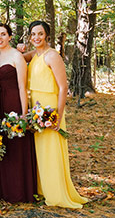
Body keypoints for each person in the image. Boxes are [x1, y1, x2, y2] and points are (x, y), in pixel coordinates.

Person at [24, 20, 87, 208]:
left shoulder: (52, 56)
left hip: (50, 108)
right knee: (41, 151)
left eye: (40, 34)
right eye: (33, 34)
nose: (36, 37)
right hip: (36, 107)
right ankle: (44, 190)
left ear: (47, 36)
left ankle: (56, 193)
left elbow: (63, 87)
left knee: (51, 151)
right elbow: (16, 56)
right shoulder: (35, 54)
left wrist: (58, 116)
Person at [0, 24, 37, 203]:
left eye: (3, 34)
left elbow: (23, 87)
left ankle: (17, 190)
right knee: (0, 143)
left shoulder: (17, 56)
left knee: (15, 145)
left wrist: (23, 114)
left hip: (13, 103)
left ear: (9, 37)